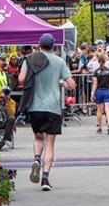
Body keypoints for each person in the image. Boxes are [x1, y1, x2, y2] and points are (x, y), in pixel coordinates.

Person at [18, 32, 73, 192]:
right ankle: (45, 178)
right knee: (50, 143)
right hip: (53, 107)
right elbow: (71, 84)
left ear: (39, 44)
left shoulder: (30, 59)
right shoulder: (59, 62)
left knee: (38, 137)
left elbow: (21, 79)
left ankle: (36, 159)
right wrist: (60, 83)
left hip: (35, 106)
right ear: (53, 45)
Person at [90, 51, 109, 134]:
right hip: (107, 91)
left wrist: (92, 93)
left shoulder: (96, 72)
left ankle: (99, 127)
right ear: (105, 61)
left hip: (99, 91)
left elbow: (95, 84)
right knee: (108, 109)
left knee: (99, 110)